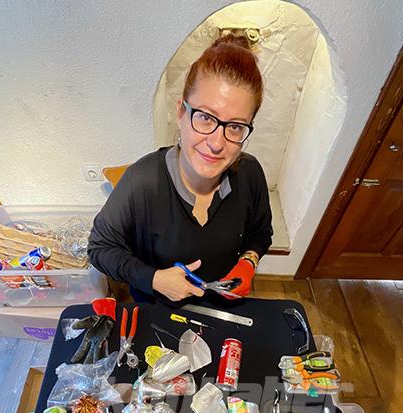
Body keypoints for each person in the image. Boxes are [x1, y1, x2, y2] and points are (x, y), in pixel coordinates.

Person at [88, 34, 273, 303]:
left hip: (222, 305)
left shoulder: (250, 174)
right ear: (181, 113)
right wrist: (154, 279)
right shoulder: (141, 182)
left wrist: (248, 261)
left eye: (235, 126)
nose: (216, 143)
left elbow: (260, 233)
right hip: (159, 310)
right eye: (205, 117)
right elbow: (99, 248)